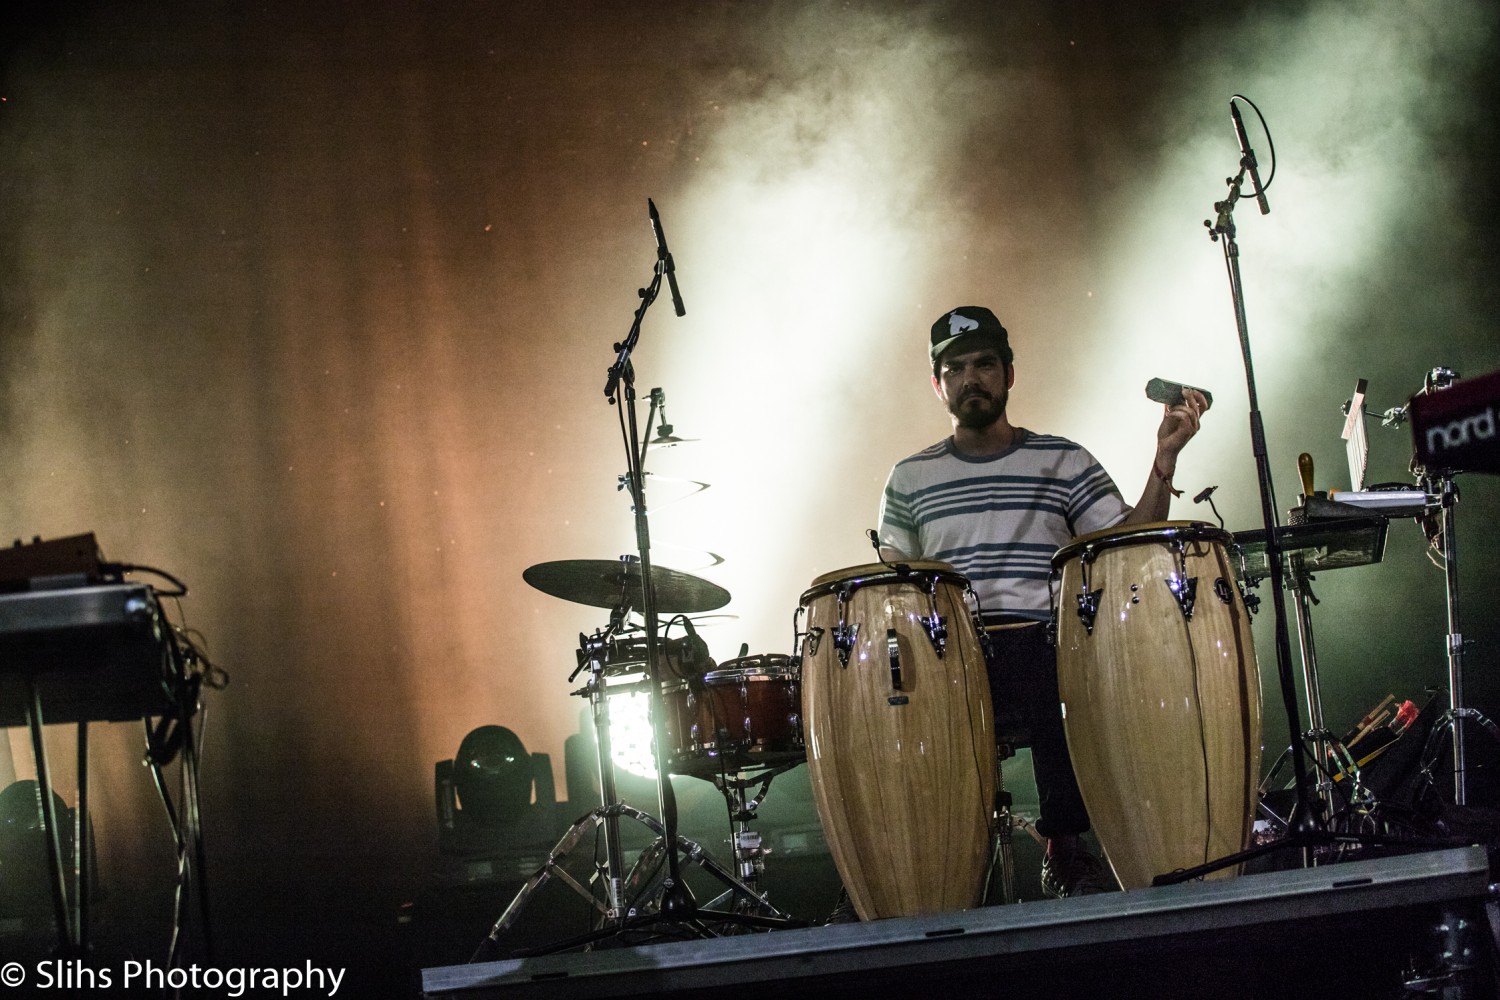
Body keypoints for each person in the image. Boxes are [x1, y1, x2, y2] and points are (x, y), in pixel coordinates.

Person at [876, 305, 1209, 898]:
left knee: (1056, 657)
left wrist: (1165, 461)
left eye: (983, 364)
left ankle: (1065, 847)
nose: (970, 378)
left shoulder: (1063, 460)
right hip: (953, 657)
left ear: (1008, 373)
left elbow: (1124, 544)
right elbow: (895, 590)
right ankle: (916, 866)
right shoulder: (908, 479)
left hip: (1047, 647)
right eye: (954, 368)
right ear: (938, 384)